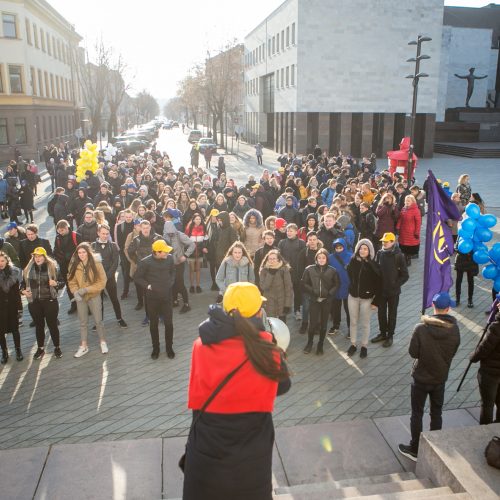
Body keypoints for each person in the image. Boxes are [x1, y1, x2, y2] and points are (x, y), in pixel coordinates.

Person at [182, 282, 290, 500]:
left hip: (207, 446)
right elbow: (283, 386)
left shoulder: (200, 345)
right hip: (251, 452)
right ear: (259, 312)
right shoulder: (268, 351)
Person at [398, 292, 460, 462]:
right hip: (440, 378)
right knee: (436, 413)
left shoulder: (420, 328)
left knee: (417, 413)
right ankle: (435, 446)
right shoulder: (454, 329)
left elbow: (413, 353)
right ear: (448, 309)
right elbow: (453, 351)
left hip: (420, 378)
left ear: (433, 306)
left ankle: (415, 449)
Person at [134, 240, 176, 359]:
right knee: (154, 325)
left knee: (169, 324)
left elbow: (173, 272)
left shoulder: (170, 259)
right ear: (157, 252)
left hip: (167, 297)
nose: (167, 253)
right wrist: (148, 286)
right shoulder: (145, 262)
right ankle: (155, 349)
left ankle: (169, 348)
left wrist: (170, 282)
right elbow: (137, 277)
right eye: (165, 252)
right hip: (152, 299)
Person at [22, 247, 64, 360]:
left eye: (40, 256)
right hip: (34, 302)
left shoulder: (52, 267)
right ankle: (40, 348)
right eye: (36, 256)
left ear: (44, 257)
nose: (38, 258)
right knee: (39, 326)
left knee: (52, 325)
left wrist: (56, 283)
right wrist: (23, 291)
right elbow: (22, 284)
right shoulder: (28, 269)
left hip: (50, 301)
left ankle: (57, 347)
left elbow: (62, 282)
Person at [67, 242, 108, 358]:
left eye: (84, 252)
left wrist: (86, 290)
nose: (81, 255)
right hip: (80, 298)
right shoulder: (74, 264)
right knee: (83, 322)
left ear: (88, 252)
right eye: (79, 252)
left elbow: (102, 281)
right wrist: (75, 292)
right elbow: (71, 280)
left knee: (98, 320)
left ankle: (103, 342)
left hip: (94, 295)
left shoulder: (96, 263)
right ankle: (84, 346)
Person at [372, 232, 409, 347]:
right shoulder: (379, 253)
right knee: (381, 314)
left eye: (386, 242)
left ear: (393, 242)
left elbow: (405, 275)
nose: (384, 243)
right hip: (381, 291)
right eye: (383, 241)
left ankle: (390, 336)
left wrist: (395, 284)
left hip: (393, 291)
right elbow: (376, 270)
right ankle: (382, 333)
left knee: (392, 314)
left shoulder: (399, 255)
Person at [346, 239, 381, 359]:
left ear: (369, 251)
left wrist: (376, 302)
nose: (362, 250)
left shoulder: (373, 265)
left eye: (365, 249)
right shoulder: (352, 261)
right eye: (361, 248)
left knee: (365, 323)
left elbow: (379, 285)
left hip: (367, 299)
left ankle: (364, 346)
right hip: (353, 297)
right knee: (353, 321)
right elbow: (350, 276)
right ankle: (353, 344)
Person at [302, 248, 339, 355]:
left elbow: (336, 284)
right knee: (312, 323)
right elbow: (304, 283)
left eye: (323, 258)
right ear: (316, 258)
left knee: (323, 324)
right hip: (314, 300)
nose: (321, 259)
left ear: (327, 259)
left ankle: (320, 344)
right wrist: (313, 292)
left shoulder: (332, 270)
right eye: (319, 257)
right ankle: (309, 343)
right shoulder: (309, 269)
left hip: (326, 301)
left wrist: (329, 294)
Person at [469, 299, 500, 425]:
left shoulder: (496, 327)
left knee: (487, 404)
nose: (497, 304)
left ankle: (485, 432)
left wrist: (473, 357)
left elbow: (484, 348)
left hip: (490, 373)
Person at [91, 225, 128, 328]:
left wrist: (106, 276)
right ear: (98, 233)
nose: (105, 236)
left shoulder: (113, 245)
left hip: (109, 277)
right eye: (103, 233)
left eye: (107, 234)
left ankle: (119, 318)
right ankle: (98, 322)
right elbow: (91, 263)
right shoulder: (93, 246)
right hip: (97, 279)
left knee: (114, 299)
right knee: (99, 301)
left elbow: (115, 262)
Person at [163, 220, 195, 313]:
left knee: (180, 283)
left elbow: (192, 244)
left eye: (171, 232)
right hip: (169, 264)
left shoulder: (179, 235)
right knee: (172, 283)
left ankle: (186, 304)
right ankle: (175, 301)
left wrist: (185, 255)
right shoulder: (164, 236)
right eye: (168, 233)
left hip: (179, 263)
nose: (170, 234)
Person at [278, 223, 306, 321]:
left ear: (296, 232)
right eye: (287, 231)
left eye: (291, 231)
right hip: (285, 272)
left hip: (298, 272)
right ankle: (284, 310)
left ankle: (297, 310)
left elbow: (304, 258)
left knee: (297, 292)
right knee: (285, 292)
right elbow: (279, 256)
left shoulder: (301, 243)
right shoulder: (282, 242)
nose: (289, 233)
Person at [0, 252, 23, 364]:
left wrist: (19, 307)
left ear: (7, 261)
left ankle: (18, 350)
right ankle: (4, 352)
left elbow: (16, 293)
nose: (0, 263)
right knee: (0, 332)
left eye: (2, 261)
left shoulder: (13, 273)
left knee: (15, 330)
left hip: (12, 306)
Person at [259, 249, 293, 323]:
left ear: (278, 259)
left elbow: (288, 288)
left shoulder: (284, 269)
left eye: (274, 258)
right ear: (267, 259)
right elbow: (264, 287)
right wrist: (270, 274)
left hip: (282, 301)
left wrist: (287, 304)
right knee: (270, 324)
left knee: (282, 325)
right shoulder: (264, 271)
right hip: (269, 302)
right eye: (270, 259)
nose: (272, 260)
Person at [53, 219, 78, 314]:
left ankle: (85, 305)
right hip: (64, 266)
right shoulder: (58, 238)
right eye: (58, 231)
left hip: (76, 265)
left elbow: (82, 249)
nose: (60, 232)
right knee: (68, 286)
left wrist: (71, 256)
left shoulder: (76, 236)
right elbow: (55, 250)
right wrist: (60, 259)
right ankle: (74, 304)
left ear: (67, 228)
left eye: (62, 230)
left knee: (80, 284)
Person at [328, 238, 352, 336]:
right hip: (336, 286)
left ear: (344, 247)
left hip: (348, 286)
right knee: (335, 308)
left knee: (348, 309)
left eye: (340, 247)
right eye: (336, 248)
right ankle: (336, 325)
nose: (338, 249)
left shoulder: (351, 256)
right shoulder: (330, 257)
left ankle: (350, 328)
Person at [396, 195, 422, 265]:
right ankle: (404, 258)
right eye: (406, 201)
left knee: (409, 246)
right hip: (403, 231)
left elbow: (418, 222)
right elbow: (400, 219)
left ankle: (408, 259)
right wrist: (398, 227)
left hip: (411, 232)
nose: (407, 202)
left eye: (408, 201)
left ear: (412, 202)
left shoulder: (416, 210)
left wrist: (417, 232)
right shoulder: (404, 208)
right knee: (403, 245)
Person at [185, 214, 208, 293]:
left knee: (198, 269)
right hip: (191, 251)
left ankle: (198, 286)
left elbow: (205, 239)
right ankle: (192, 286)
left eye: (199, 219)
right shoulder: (189, 228)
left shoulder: (204, 227)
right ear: (193, 220)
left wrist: (204, 247)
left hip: (200, 251)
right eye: (196, 219)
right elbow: (186, 240)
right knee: (191, 269)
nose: (198, 221)